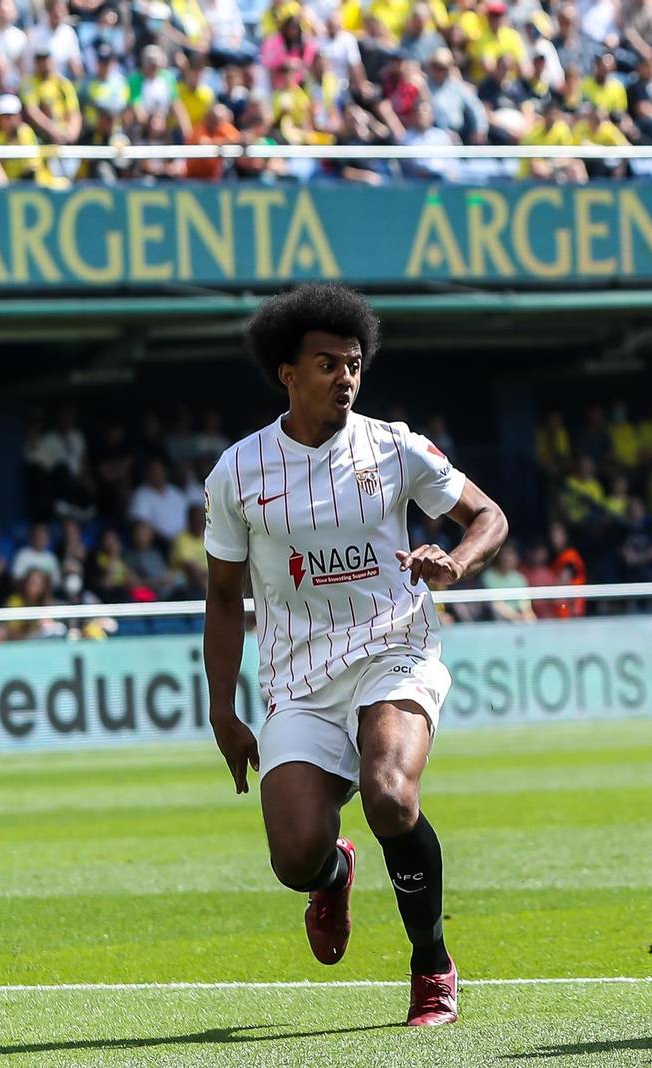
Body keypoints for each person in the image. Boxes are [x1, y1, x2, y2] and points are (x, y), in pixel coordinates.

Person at [202, 283, 507, 1028]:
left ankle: (431, 964)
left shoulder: (395, 445)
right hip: (298, 680)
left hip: (393, 647)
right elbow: (221, 597)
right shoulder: (237, 473)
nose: (346, 376)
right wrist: (221, 708)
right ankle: (333, 872)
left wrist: (458, 561)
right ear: (288, 373)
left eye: (355, 363)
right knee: (293, 858)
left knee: (390, 794)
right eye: (328, 364)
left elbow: (488, 515)